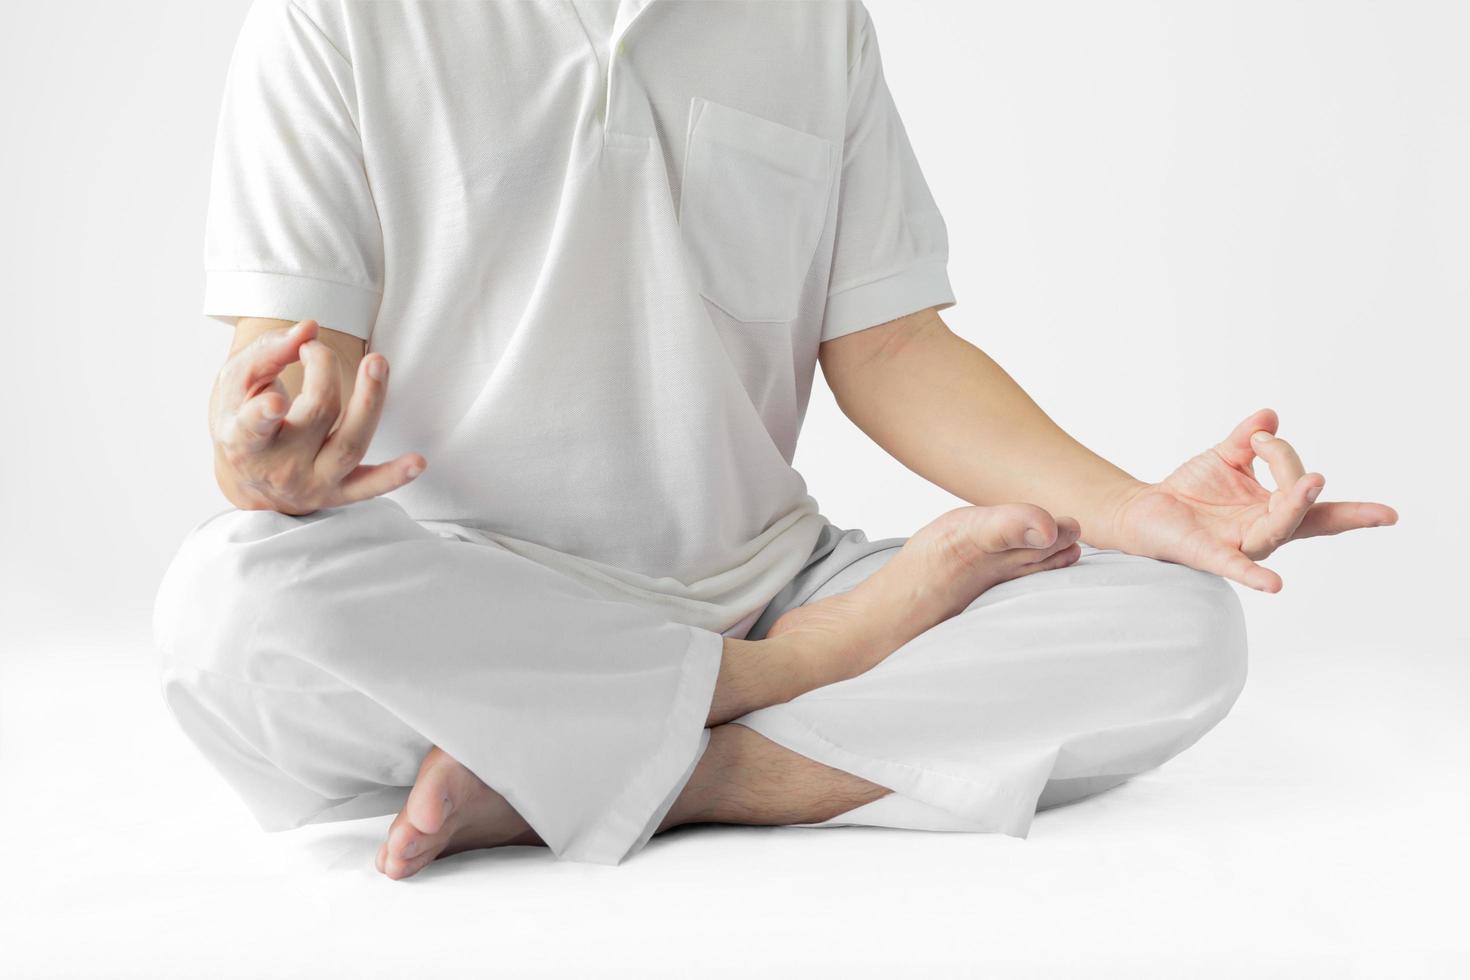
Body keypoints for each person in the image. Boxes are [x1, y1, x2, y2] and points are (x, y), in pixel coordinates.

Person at [153, 0, 1396, 881]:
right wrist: (263, 453)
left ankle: (641, 774)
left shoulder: (814, 17)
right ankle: (780, 688)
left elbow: (893, 349)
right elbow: (292, 350)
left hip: (759, 577)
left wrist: (1141, 511)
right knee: (226, 605)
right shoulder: (329, 15)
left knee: (1182, 628)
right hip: (476, 607)